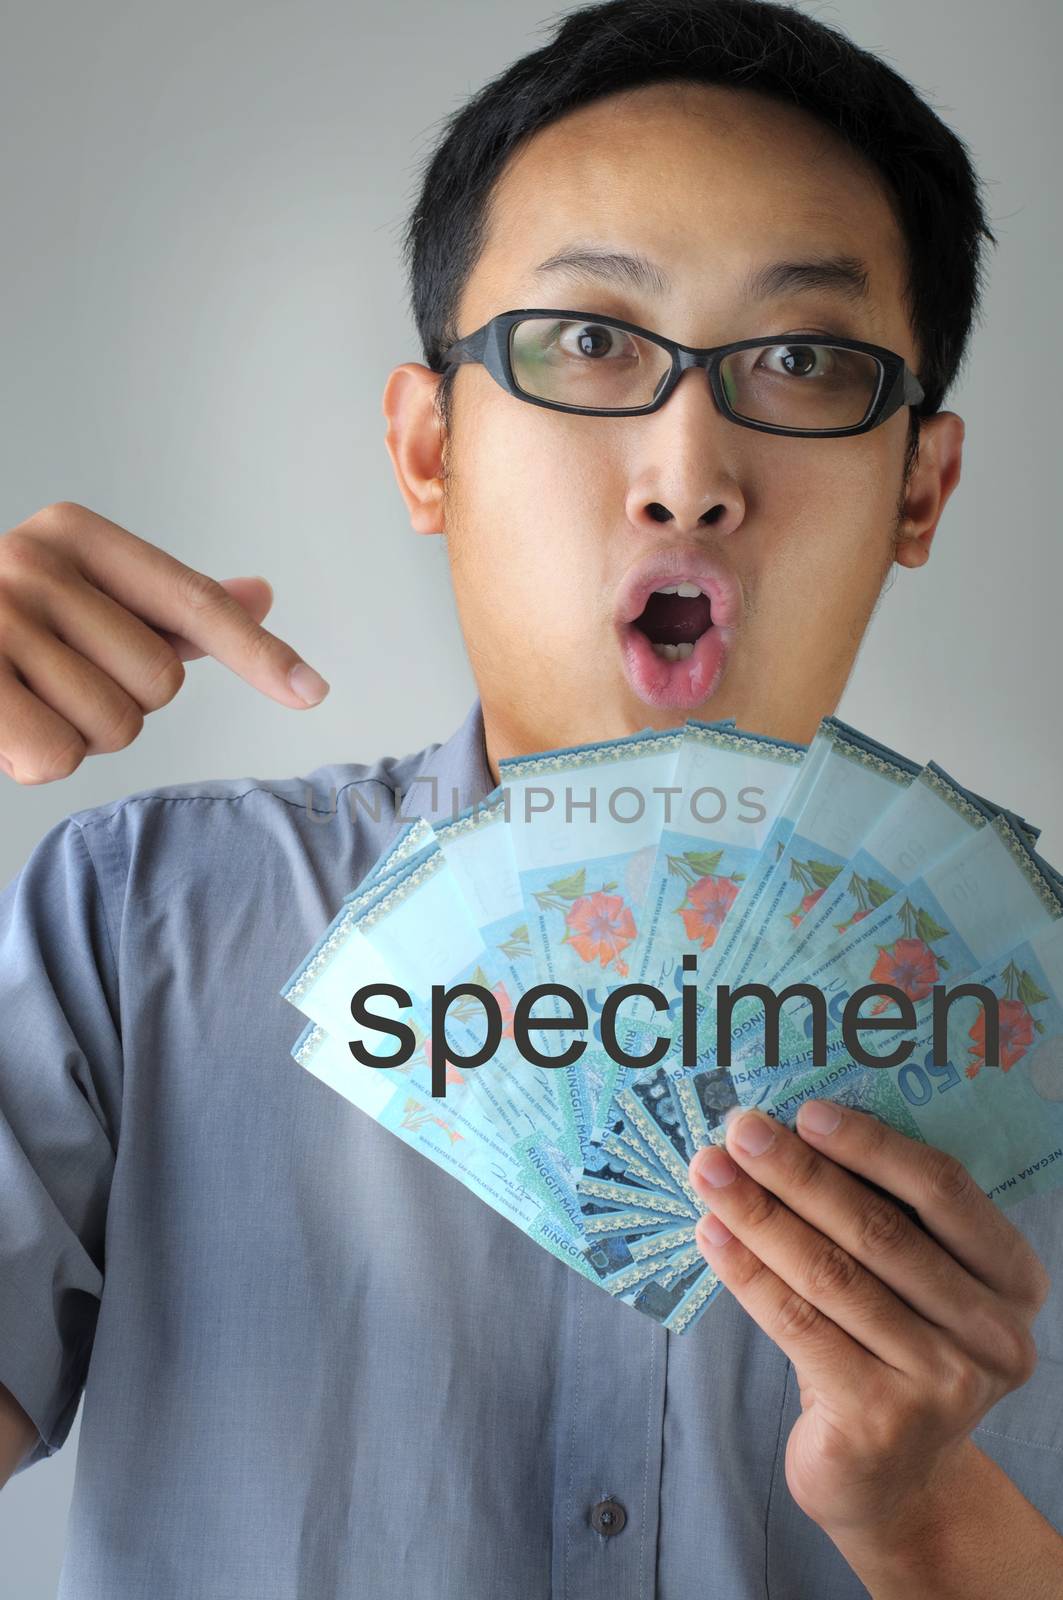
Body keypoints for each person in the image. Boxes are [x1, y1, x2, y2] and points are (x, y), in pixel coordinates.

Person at [1, 1, 1061, 1594]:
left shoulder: (1032, 1017)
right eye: (588, 342)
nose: (689, 468)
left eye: (801, 358)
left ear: (920, 485)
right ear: (429, 450)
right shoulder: (136, 928)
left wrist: (921, 1514)